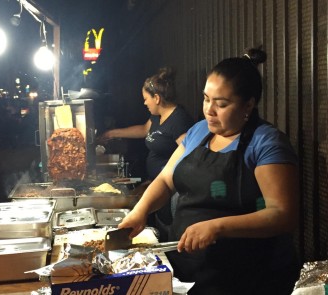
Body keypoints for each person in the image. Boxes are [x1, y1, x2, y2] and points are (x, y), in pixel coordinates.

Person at [118, 48, 300, 295]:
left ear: (249, 104)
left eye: (221, 104)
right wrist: (139, 212)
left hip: (246, 277)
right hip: (188, 269)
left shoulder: (266, 142)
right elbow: (165, 179)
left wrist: (217, 227)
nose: (209, 110)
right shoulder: (198, 132)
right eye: (206, 99)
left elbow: (282, 214)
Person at [99, 67, 194, 241]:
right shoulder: (157, 117)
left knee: (172, 231)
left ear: (156, 98)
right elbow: (143, 130)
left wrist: (162, 179)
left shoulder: (179, 120)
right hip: (157, 186)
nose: (144, 103)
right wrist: (113, 133)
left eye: (146, 99)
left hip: (172, 192)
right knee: (160, 226)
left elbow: (189, 159)